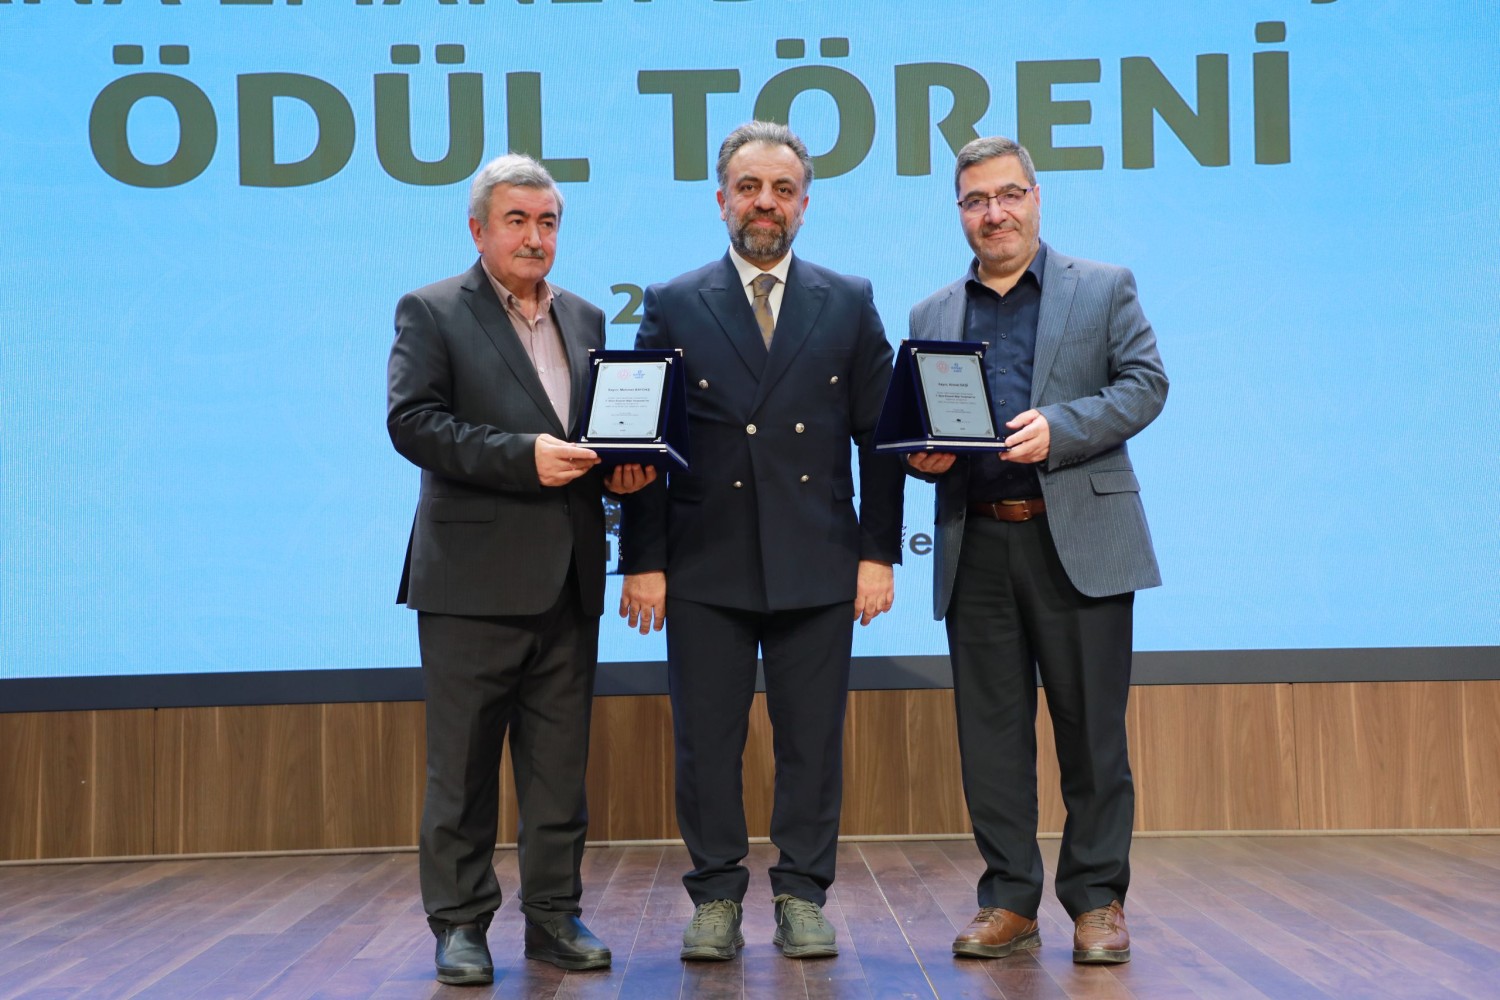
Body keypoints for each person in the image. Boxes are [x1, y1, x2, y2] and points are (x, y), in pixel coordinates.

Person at [617, 122, 904, 962]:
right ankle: (714, 897)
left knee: (810, 742)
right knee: (707, 742)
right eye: (749, 188)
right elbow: (644, 446)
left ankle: (803, 895)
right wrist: (643, 560)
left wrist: (878, 552)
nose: (765, 204)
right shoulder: (673, 301)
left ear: (805, 205)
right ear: (721, 201)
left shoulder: (848, 299)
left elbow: (881, 438)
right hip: (704, 562)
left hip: (819, 558)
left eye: (782, 190)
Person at [386, 153, 655, 986]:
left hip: (569, 577)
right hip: (470, 581)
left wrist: (621, 471)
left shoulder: (585, 315)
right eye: (517, 221)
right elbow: (413, 424)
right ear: (478, 230)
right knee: (463, 769)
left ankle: (553, 918)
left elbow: (591, 436)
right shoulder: (432, 309)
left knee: (557, 770)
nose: (535, 237)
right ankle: (460, 925)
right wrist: (522, 457)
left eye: (547, 222)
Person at [905, 136, 1167, 965]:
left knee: (1092, 735)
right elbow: (920, 424)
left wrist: (1063, 428)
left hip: (1078, 540)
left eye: (1009, 195)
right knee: (990, 739)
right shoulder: (931, 314)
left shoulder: (1104, 286)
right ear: (960, 213)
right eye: (977, 201)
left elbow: (1146, 384)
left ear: (1036, 197)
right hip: (976, 541)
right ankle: (1009, 900)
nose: (996, 213)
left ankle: (1097, 902)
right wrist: (922, 456)